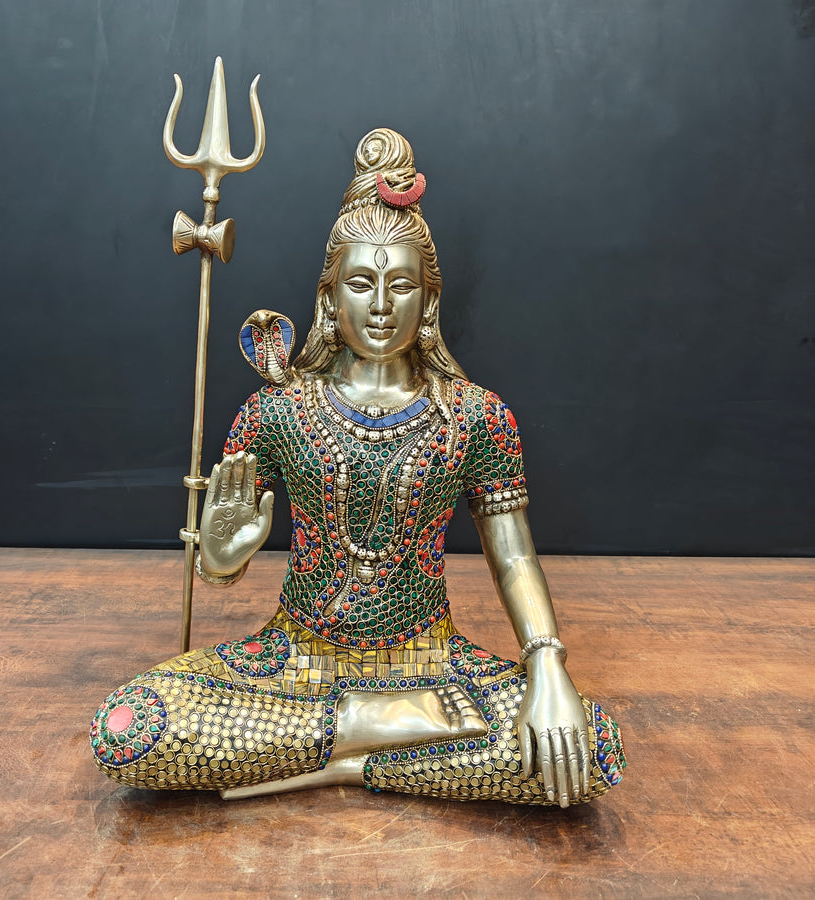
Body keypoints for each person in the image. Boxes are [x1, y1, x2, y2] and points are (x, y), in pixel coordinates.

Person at [90, 128, 625, 806]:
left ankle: (336, 759)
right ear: (329, 298)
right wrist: (221, 557)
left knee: (589, 746)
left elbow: (514, 556)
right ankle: (369, 735)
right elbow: (218, 565)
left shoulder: (476, 416)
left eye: (400, 285)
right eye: (361, 283)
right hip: (294, 661)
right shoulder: (278, 412)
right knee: (131, 727)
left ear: (428, 302)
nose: (379, 306)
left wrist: (546, 663)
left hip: (431, 666)